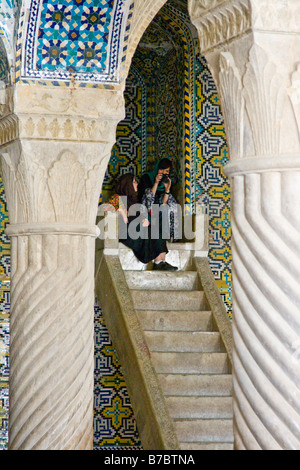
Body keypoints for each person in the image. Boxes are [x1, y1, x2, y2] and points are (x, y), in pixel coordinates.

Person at [108, 173, 178, 270]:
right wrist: (121, 212)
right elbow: (106, 208)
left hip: (136, 228)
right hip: (126, 232)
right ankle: (158, 262)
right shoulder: (116, 198)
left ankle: (161, 261)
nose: (136, 184)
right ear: (127, 184)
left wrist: (143, 220)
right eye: (134, 182)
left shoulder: (134, 200)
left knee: (155, 230)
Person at [138, 158, 180, 242]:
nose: (164, 173)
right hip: (146, 209)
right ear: (157, 168)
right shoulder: (146, 178)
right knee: (148, 193)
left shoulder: (166, 182)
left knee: (167, 205)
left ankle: (168, 237)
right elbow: (148, 198)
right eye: (161, 169)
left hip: (159, 211)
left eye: (167, 171)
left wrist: (167, 189)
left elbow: (164, 202)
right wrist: (156, 183)